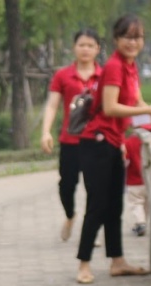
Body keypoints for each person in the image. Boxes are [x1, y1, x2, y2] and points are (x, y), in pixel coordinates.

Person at [75, 13, 151, 285]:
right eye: (127, 37)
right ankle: (84, 264)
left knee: (115, 206)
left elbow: (140, 105)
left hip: (113, 143)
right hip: (96, 142)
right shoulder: (114, 66)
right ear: (116, 39)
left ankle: (118, 261)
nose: (132, 42)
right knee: (97, 205)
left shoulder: (131, 67)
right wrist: (147, 109)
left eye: (138, 37)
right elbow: (111, 107)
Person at [40, 28, 103, 241]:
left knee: (95, 188)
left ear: (98, 49)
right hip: (70, 142)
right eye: (81, 45)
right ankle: (70, 215)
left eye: (90, 45)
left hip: (96, 141)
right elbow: (52, 106)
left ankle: (90, 231)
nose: (85, 49)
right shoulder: (62, 75)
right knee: (66, 185)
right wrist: (46, 131)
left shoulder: (104, 76)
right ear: (74, 48)